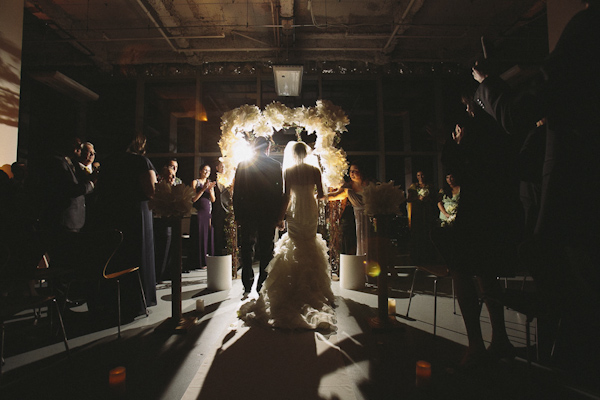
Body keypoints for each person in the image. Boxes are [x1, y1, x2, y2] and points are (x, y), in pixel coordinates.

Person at [238, 141, 336, 331]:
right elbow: (322, 194)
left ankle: (292, 284)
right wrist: (312, 197)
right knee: (310, 243)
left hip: (296, 210)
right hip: (310, 209)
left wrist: (281, 217)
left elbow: (287, 196)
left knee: (294, 244)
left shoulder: (288, 171)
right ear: (306, 153)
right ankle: (313, 285)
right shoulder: (315, 171)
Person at [93, 133, 158, 315]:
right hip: (136, 214)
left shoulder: (108, 162)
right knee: (138, 252)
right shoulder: (141, 162)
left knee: (118, 255)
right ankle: (138, 300)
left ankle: (116, 301)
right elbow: (151, 191)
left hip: (112, 214)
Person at [233, 136, 284, 295]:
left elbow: (237, 192)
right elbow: (279, 193)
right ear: (268, 148)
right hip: (267, 213)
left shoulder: (243, 165)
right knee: (266, 249)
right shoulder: (275, 166)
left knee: (247, 249)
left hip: (248, 213)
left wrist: (237, 214)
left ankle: (247, 285)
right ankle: (262, 283)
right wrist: (278, 216)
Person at [328, 161, 371, 256]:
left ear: (362, 172)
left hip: (370, 216)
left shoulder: (371, 185)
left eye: (355, 171)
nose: (352, 173)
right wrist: (319, 196)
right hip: (356, 218)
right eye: (350, 171)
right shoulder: (348, 187)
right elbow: (335, 195)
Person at [191, 163, 216, 269]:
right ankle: (198, 261)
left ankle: (207, 260)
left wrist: (210, 190)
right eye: (205, 170)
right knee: (200, 235)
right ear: (200, 171)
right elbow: (193, 199)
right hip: (198, 212)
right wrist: (202, 189)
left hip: (207, 212)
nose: (207, 172)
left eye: (209, 171)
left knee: (207, 235)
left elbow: (213, 199)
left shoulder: (209, 183)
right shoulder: (195, 182)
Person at [407, 171, 434, 263]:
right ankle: (416, 255)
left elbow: (434, 199)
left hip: (427, 211)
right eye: (418, 175)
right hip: (417, 212)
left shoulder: (430, 186)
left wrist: (427, 199)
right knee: (417, 232)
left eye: (422, 175)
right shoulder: (414, 186)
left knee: (427, 231)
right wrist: (418, 198)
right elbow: (409, 199)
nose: (421, 177)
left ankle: (427, 255)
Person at [211, 160, 231, 256]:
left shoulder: (229, 179)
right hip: (217, 210)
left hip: (227, 210)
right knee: (217, 234)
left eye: (224, 167)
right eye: (221, 166)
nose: (223, 168)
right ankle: (218, 255)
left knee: (228, 235)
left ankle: (228, 255)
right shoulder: (212, 180)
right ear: (217, 168)